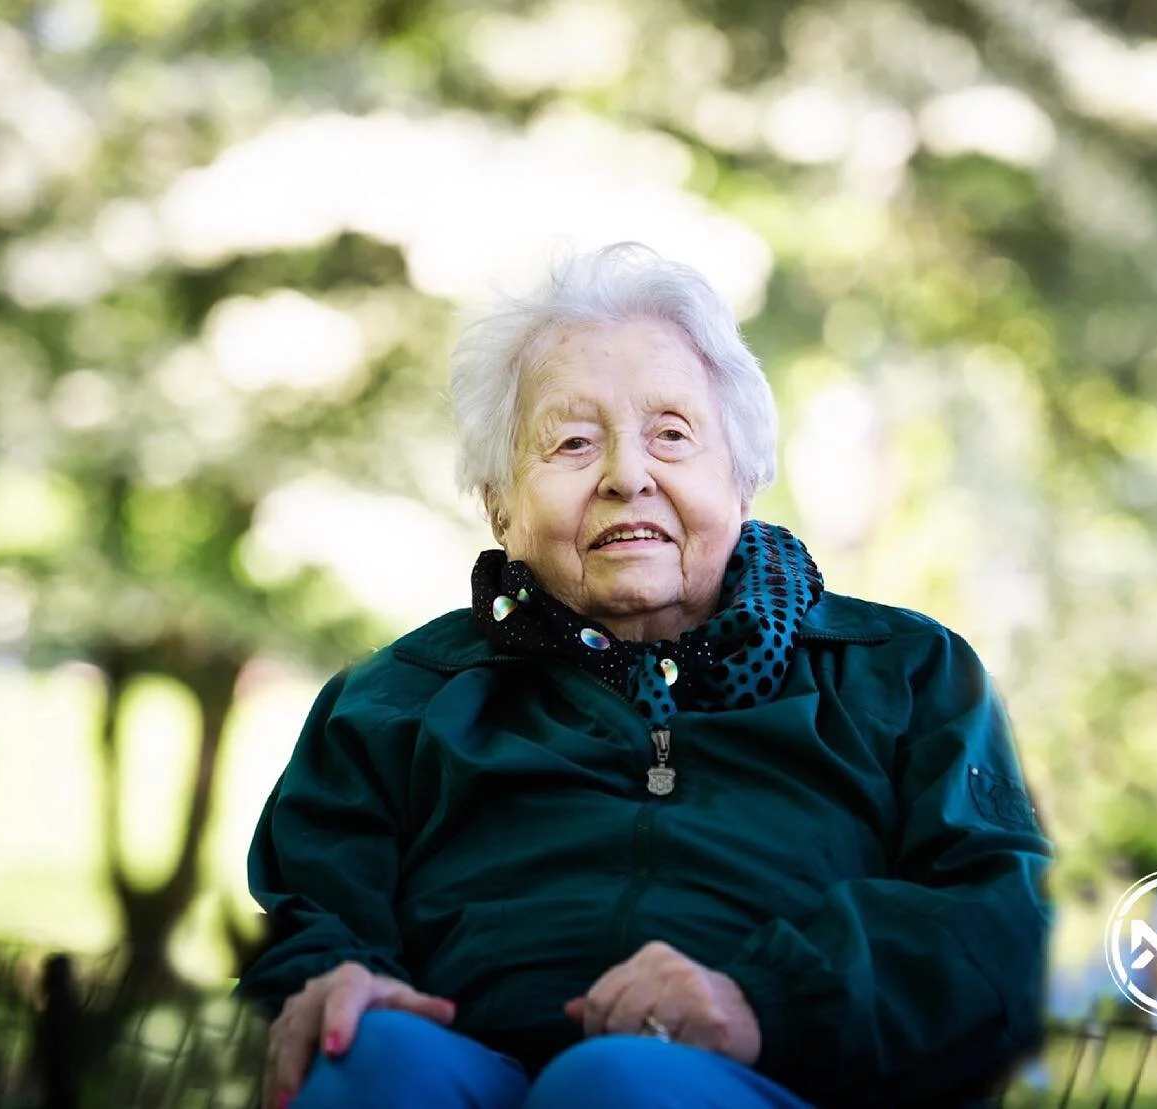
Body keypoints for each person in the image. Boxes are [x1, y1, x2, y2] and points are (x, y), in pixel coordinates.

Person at [236, 243, 1054, 1109]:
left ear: (742, 478)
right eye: (573, 442)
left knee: (615, 1082)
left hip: (784, 1080)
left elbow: (1003, 920)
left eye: (671, 434)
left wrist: (763, 1002)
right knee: (371, 1056)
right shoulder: (396, 702)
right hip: (463, 1077)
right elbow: (313, 918)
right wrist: (336, 978)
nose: (628, 476)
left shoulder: (903, 674)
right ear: (499, 503)